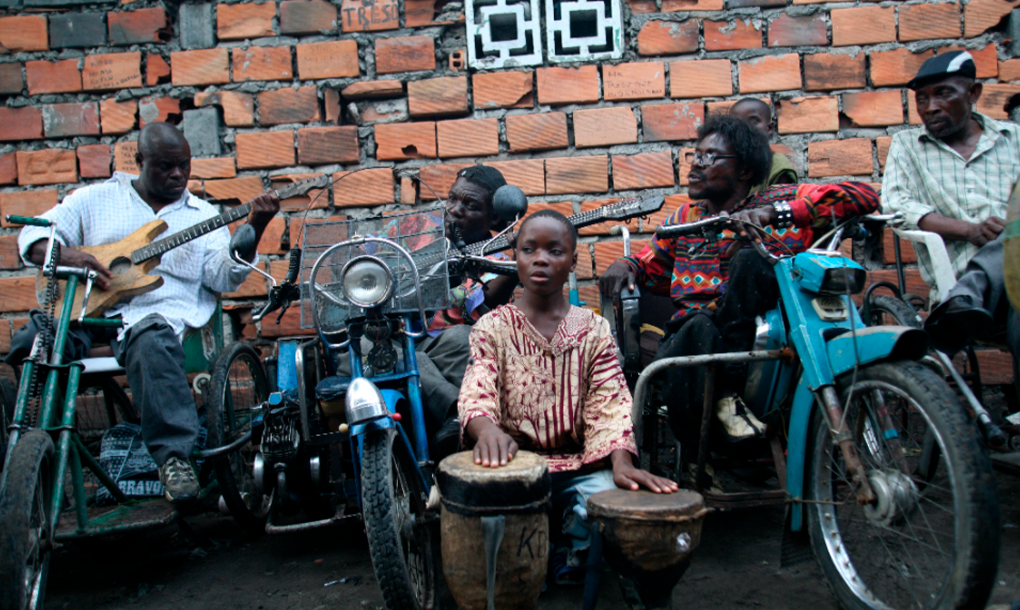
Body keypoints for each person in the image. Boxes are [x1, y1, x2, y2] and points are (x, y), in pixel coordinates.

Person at [7, 123, 280, 504]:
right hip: (84, 315)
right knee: (30, 344)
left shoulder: (201, 214)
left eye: (184, 166)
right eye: (166, 166)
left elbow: (225, 276)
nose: (178, 175)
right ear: (139, 161)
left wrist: (256, 225)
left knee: (151, 340)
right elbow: (32, 240)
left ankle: (174, 461)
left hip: (153, 322)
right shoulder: (94, 199)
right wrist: (75, 257)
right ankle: (25, 449)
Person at [598, 115, 878, 454]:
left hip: (769, 349)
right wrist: (626, 263)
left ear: (744, 171)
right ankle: (712, 435)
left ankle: (730, 395)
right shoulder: (686, 218)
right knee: (696, 325)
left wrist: (778, 214)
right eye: (695, 156)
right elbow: (649, 263)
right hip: (695, 340)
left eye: (710, 157)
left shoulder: (780, 201)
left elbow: (863, 196)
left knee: (751, 259)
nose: (696, 166)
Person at [459, 209, 678, 585]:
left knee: (612, 501)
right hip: (514, 464)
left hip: (581, 463)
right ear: (515, 257)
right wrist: (486, 432)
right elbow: (477, 388)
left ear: (574, 260)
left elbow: (609, 401)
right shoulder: (492, 327)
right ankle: (530, 559)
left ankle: (572, 551)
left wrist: (621, 462)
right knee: (492, 516)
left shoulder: (593, 329)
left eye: (555, 251)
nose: (541, 258)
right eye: (529, 249)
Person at [882, 51, 1020, 359]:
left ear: (973, 93)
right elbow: (896, 207)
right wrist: (969, 230)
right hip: (957, 277)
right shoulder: (908, 145)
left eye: (943, 94)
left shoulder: (1014, 139)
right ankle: (969, 291)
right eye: (921, 99)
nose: (931, 107)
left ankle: (969, 294)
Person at [728, 98, 798, 192]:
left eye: (752, 122)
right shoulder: (730, 163)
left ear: (769, 128)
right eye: (736, 124)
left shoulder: (777, 166)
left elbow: (777, 203)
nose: (744, 129)